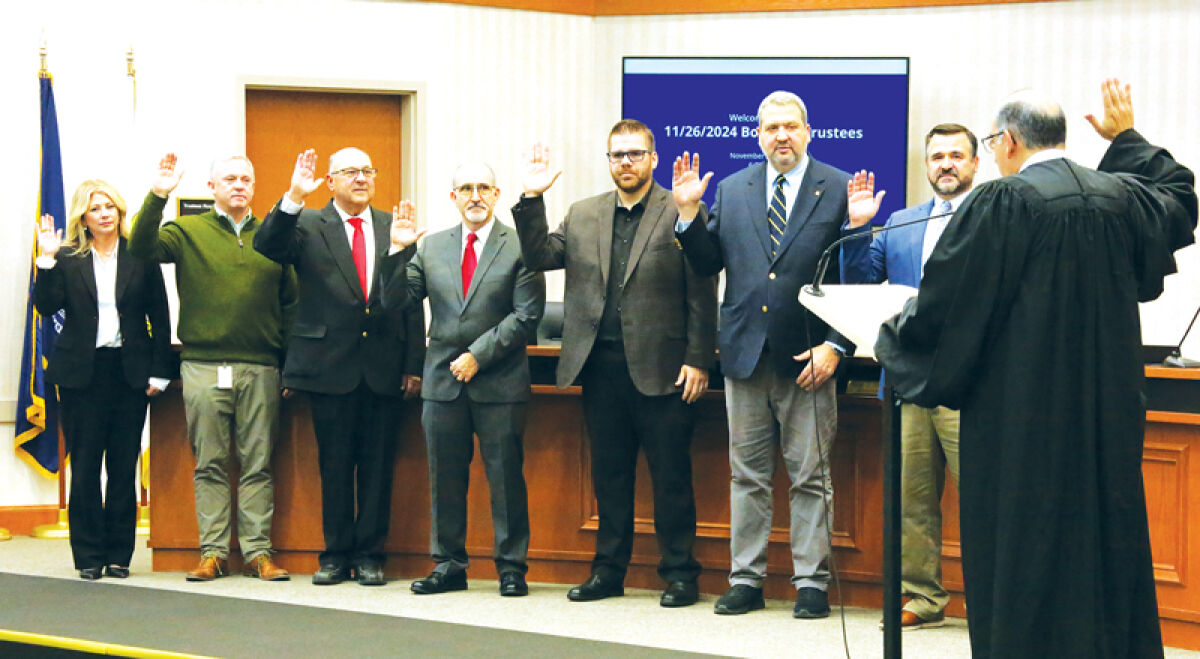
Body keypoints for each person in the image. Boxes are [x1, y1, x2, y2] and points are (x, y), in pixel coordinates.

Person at [874, 80, 1196, 658]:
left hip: (1022, 421)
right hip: (1106, 416)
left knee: (1025, 543)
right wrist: (1126, 139)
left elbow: (951, 304)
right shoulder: (1119, 196)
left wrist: (893, 336)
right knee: (1102, 533)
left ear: (1009, 141)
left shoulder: (1002, 203)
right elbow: (1179, 195)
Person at [672, 90, 883, 618]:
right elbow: (707, 263)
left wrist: (837, 345)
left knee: (811, 476)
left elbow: (857, 278)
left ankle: (811, 582)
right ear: (758, 135)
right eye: (771, 128)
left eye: (790, 126)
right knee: (748, 476)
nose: (781, 136)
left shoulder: (836, 188)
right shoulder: (733, 187)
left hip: (810, 359)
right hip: (744, 356)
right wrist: (688, 215)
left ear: (808, 131)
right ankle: (746, 579)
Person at [512, 121, 718, 607]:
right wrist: (530, 196)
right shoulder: (583, 213)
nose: (625, 162)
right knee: (609, 477)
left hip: (665, 368)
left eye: (634, 154)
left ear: (652, 158)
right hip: (600, 369)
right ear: (608, 161)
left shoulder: (681, 209)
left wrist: (698, 358)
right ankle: (608, 572)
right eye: (616, 155)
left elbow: (702, 291)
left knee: (671, 479)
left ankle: (680, 575)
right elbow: (539, 254)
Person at [254, 147, 425, 586]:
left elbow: (407, 301)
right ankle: (334, 556)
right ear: (330, 181)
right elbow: (267, 245)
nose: (361, 178)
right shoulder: (308, 224)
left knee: (377, 467)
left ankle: (370, 556)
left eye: (368, 170)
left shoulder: (393, 225)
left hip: (384, 367)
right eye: (350, 172)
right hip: (329, 367)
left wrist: (413, 364)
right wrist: (293, 196)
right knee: (333, 466)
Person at [130, 154, 296, 582]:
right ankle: (213, 553)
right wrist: (159, 194)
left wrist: (291, 366)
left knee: (258, 463)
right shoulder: (186, 231)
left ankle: (259, 553)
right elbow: (141, 249)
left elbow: (292, 304)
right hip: (202, 365)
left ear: (255, 187)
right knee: (210, 463)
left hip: (261, 366)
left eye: (246, 178)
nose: (238, 185)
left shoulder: (275, 237)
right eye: (230, 178)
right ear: (212, 186)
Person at [840, 123, 979, 629]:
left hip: (973, 385)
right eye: (937, 156)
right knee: (912, 497)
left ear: (975, 163)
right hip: (908, 383)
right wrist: (858, 228)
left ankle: (991, 598)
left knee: (982, 497)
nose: (946, 164)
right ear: (926, 164)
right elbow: (858, 281)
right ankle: (921, 598)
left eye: (956, 156)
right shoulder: (900, 223)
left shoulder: (992, 216)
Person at [386, 162, 545, 597]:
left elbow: (527, 315)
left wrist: (478, 355)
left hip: (501, 381)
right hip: (442, 383)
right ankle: (449, 564)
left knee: (506, 478)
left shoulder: (520, 245)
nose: (475, 195)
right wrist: (398, 253)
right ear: (452, 196)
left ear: (496, 195)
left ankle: (511, 567)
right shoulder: (431, 246)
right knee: (445, 477)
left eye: (484, 188)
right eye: (466, 188)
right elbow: (398, 300)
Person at [35, 180, 172, 580]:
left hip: (128, 373)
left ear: (121, 211)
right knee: (86, 467)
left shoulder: (140, 255)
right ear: (84, 217)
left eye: (110, 206)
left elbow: (160, 316)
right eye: (95, 208)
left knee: (123, 466)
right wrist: (45, 260)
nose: (105, 213)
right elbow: (46, 306)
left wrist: (161, 370)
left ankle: (119, 555)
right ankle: (89, 556)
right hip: (82, 376)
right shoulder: (66, 257)